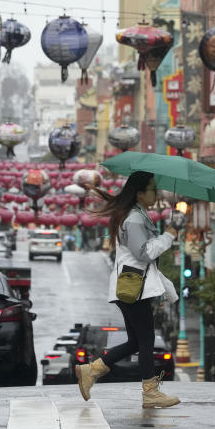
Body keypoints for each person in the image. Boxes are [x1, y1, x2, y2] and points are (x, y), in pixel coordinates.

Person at [74, 171, 180, 409]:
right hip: (134, 287)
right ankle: (150, 392)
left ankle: (91, 371)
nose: (156, 193)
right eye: (152, 189)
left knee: (136, 341)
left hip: (133, 285)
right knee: (146, 340)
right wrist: (168, 236)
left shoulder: (138, 215)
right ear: (140, 193)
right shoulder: (134, 218)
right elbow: (143, 253)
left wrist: (165, 235)